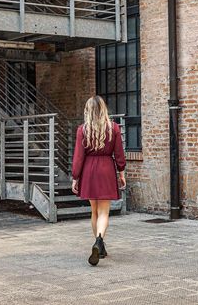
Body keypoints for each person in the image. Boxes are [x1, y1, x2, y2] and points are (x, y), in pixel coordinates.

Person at [71, 96, 126, 266]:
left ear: (88, 110)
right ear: (103, 109)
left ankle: (98, 243)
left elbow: (79, 157)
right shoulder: (113, 128)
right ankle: (100, 241)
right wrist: (121, 172)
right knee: (104, 212)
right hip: (106, 170)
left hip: (88, 171)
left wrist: (75, 177)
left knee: (94, 211)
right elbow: (119, 153)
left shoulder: (83, 130)